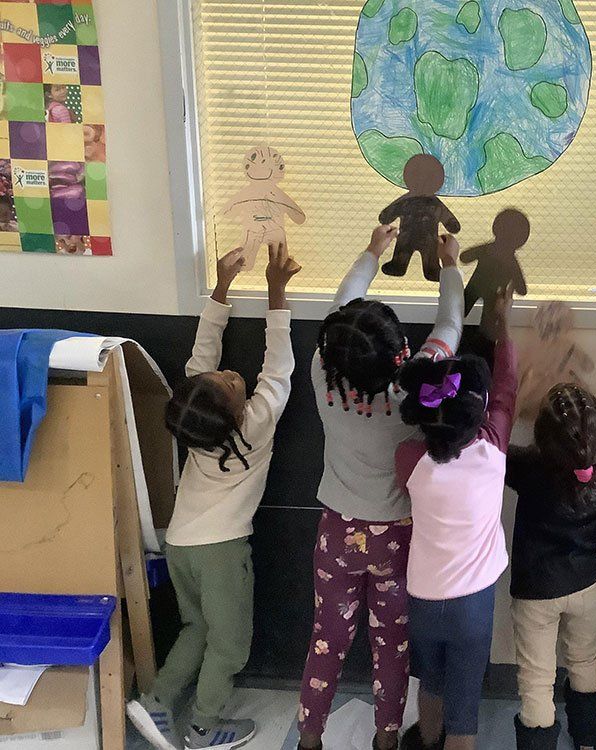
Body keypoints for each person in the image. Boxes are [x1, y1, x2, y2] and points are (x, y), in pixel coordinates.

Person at [297, 225, 464, 750]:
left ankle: (309, 739)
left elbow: (341, 306)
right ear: (401, 354)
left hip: (338, 533)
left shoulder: (324, 373)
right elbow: (450, 324)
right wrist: (451, 265)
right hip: (397, 539)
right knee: (391, 645)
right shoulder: (416, 393)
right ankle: (386, 740)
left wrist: (372, 252)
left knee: (327, 638)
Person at [127, 244, 300, 750]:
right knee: (229, 646)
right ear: (237, 411)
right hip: (221, 552)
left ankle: (157, 701)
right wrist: (276, 291)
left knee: (196, 628)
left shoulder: (194, 422)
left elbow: (201, 359)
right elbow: (278, 368)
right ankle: (203, 727)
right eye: (229, 384)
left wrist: (221, 287)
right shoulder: (254, 427)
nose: (230, 374)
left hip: (181, 544)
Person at [394, 289, 517, 750]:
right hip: (472, 605)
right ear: (478, 415)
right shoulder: (493, 448)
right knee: (464, 712)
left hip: (423, 598)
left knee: (431, 682)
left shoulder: (408, 458)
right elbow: (507, 387)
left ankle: (426, 741)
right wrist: (502, 326)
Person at [507, 383, 596, 750]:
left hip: (537, 590)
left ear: (542, 436)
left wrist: (519, 405)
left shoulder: (527, 468)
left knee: (537, 681)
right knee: (584, 659)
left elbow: (492, 446)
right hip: (587, 582)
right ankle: (589, 740)